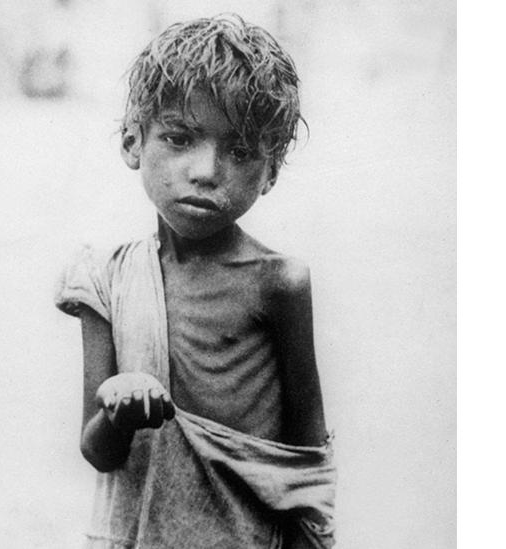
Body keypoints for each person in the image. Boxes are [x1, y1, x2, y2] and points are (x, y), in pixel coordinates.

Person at [56, 14, 335, 548]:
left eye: (240, 151)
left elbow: (305, 462)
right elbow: (98, 451)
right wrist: (119, 409)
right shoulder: (106, 279)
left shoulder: (279, 284)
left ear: (271, 171)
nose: (207, 170)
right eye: (179, 138)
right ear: (133, 142)